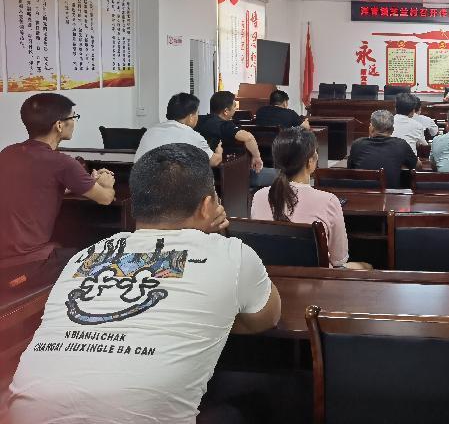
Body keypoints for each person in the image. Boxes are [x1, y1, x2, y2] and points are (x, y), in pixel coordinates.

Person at [7, 143, 281, 424]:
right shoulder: (231, 255)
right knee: (262, 397)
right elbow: (265, 319)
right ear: (208, 205)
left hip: (23, 416)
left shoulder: (86, 255)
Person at [0, 94, 116, 296]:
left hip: (7, 260)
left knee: (64, 245)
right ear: (59, 125)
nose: (74, 122)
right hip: (24, 267)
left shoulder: (8, 153)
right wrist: (106, 184)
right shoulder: (63, 163)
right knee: (102, 261)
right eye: (73, 117)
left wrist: (82, 182)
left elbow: (38, 185)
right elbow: (105, 198)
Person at [251, 128, 369, 269]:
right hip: (318, 279)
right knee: (366, 266)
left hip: (271, 277)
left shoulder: (258, 196)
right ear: (310, 161)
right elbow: (338, 259)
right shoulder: (329, 201)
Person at [195, 91, 276, 188]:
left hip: (200, 175)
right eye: (234, 106)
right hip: (229, 175)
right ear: (226, 111)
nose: (235, 109)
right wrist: (257, 157)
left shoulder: (198, 120)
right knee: (280, 175)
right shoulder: (224, 125)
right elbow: (249, 138)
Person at [135, 93, 223, 167]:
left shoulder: (150, 131)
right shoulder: (192, 136)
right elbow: (214, 161)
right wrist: (219, 152)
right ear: (191, 117)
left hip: (139, 180)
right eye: (197, 113)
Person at [347, 109, 417, 189]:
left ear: (371, 129)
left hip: (363, 194)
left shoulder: (357, 144)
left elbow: (350, 169)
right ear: (392, 130)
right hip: (390, 195)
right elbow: (417, 166)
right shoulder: (401, 144)